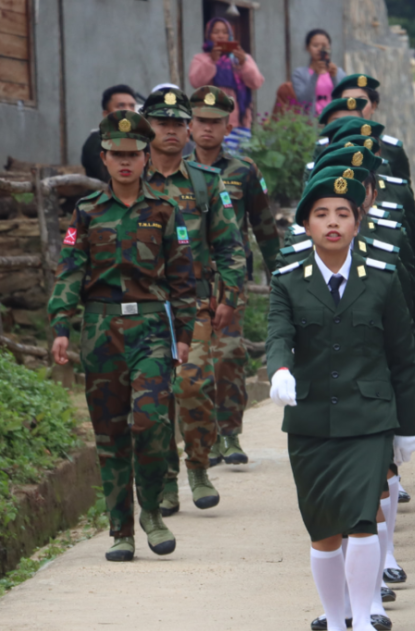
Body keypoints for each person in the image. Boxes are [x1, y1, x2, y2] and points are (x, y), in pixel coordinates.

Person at [266, 171, 415, 631]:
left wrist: (408, 427)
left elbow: (402, 353)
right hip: (311, 421)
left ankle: (365, 623)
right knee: (323, 528)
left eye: (343, 213)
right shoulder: (289, 282)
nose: (332, 222)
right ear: (306, 225)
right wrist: (279, 371)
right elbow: (277, 337)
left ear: (357, 222)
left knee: (360, 521)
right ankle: (336, 626)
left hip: (368, 419)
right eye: (321, 214)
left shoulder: (381, 277)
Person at [48, 111, 197, 562]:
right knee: (110, 433)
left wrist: (185, 333)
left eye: (134, 154)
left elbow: (183, 277)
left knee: (151, 423)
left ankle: (151, 512)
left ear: (146, 156)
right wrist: (60, 326)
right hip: (99, 330)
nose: (126, 162)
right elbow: (71, 270)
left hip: (152, 327)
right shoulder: (87, 212)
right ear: (105, 158)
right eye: (117, 155)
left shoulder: (165, 210)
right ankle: (120, 531)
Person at [141, 87, 246, 515]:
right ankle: (166, 480)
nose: (170, 130)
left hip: (194, 306)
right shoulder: (130, 178)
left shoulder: (206, 183)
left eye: (177, 123)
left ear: (188, 130)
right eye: (161, 123)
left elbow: (230, 246)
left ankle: (198, 466)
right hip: (143, 306)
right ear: (148, 127)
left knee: (192, 385)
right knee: (155, 398)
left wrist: (229, 296)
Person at [185, 86, 281, 465]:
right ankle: (202, 440)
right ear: (190, 126)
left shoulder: (244, 171)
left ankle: (230, 434)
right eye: (201, 122)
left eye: (216, 122)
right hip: (186, 283)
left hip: (230, 279)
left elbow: (264, 226)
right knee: (193, 364)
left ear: (228, 126)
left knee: (226, 356)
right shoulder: (176, 171)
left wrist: (279, 275)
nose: (208, 129)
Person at [188, 18, 264, 131]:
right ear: (208, 35)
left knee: (239, 148)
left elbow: (256, 83)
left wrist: (244, 63)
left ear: (230, 35)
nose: (221, 36)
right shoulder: (201, 59)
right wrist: (212, 61)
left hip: (239, 123)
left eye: (225, 32)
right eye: (216, 32)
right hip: (211, 121)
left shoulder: (242, 58)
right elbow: (195, 82)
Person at [81, 84, 138, 182]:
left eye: (132, 106)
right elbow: (112, 179)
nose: (128, 111)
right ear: (106, 114)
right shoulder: (97, 141)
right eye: (121, 105)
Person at [292, 29, 343, 117]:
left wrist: (334, 77)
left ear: (329, 48)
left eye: (324, 45)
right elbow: (303, 101)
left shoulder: (339, 73)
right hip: (312, 125)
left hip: (335, 121)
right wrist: (315, 74)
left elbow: (343, 99)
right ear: (307, 48)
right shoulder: (299, 74)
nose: (320, 49)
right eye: (315, 45)